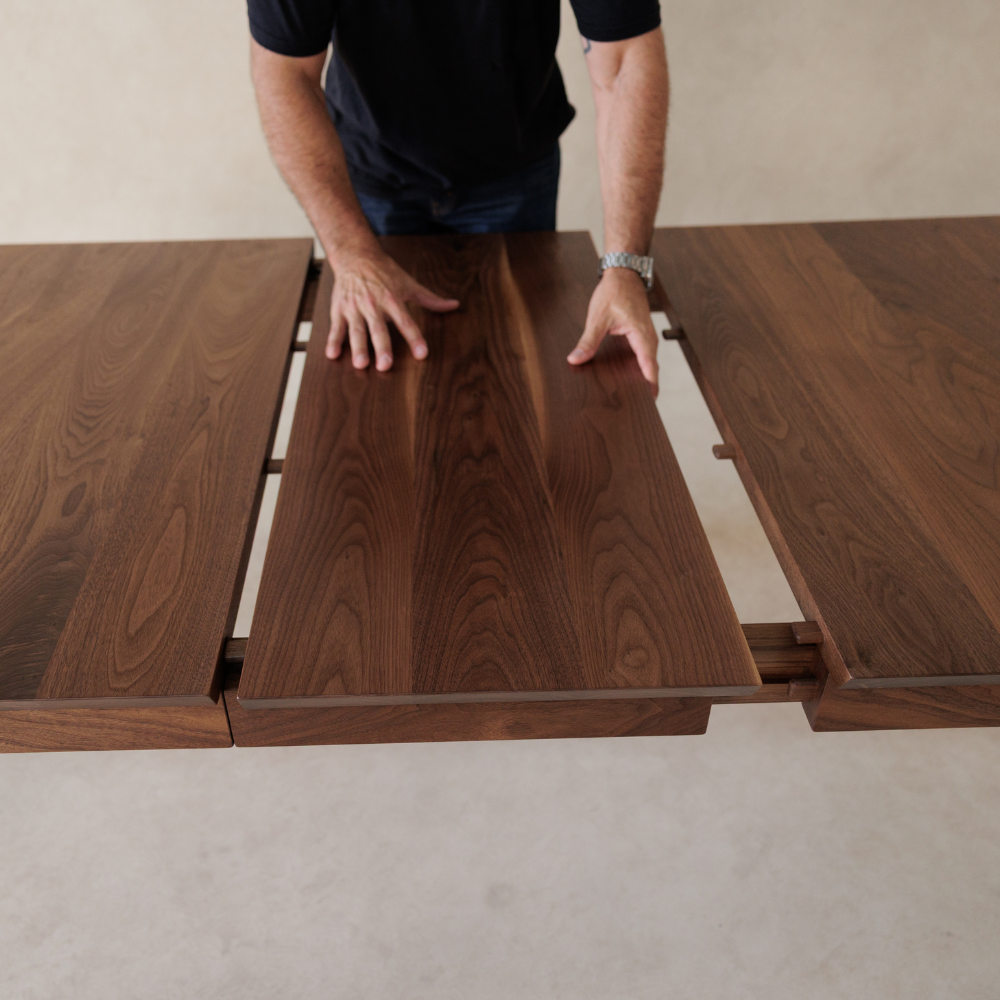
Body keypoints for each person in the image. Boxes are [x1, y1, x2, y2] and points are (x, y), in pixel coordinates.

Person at [247, 0, 668, 391]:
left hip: (514, 167)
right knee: (376, 395)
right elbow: (284, 72)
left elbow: (624, 62)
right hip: (368, 177)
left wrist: (625, 268)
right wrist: (351, 254)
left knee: (516, 379)